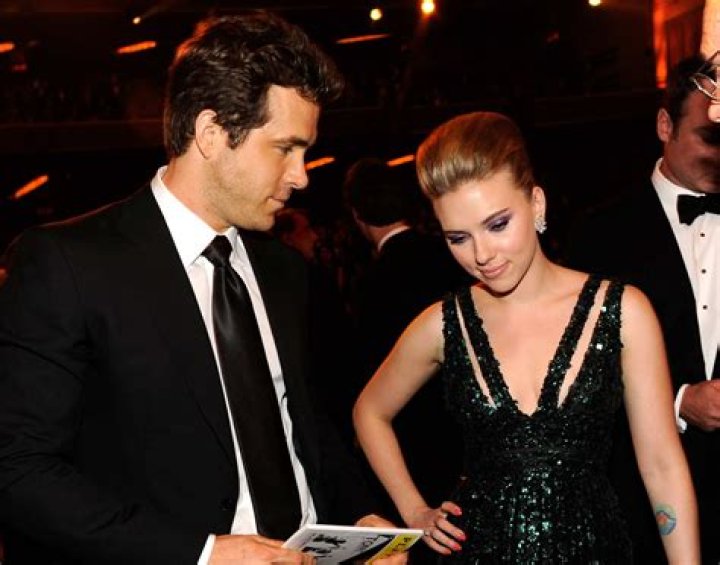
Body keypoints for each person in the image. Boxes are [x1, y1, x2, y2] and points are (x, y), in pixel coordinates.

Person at [0, 12, 405, 565]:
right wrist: (202, 554)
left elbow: (303, 423)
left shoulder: (285, 271)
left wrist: (360, 517)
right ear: (212, 133)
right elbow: (18, 468)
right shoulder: (69, 264)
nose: (302, 175)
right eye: (285, 148)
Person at [353, 111, 700, 563]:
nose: (482, 255)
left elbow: (662, 466)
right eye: (458, 238)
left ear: (536, 203)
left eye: (497, 224)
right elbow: (369, 412)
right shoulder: (443, 324)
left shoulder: (622, 311)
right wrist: (414, 510)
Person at [565, 54, 720, 563]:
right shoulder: (598, 235)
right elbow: (573, 372)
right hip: (639, 505)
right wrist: (676, 402)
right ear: (664, 125)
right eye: (710, 137)